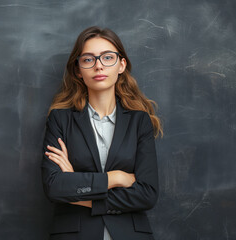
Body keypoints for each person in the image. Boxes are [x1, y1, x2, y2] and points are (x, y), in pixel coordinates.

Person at [41, 26, 163, 240]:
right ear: (78, 69)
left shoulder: (139, 121)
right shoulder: (60, 119)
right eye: (88, 59)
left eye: (107, 57)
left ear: (121, 65)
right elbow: (55, 187)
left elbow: (147, 195)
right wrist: (115, 178)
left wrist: (76, 185)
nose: (98, 66)